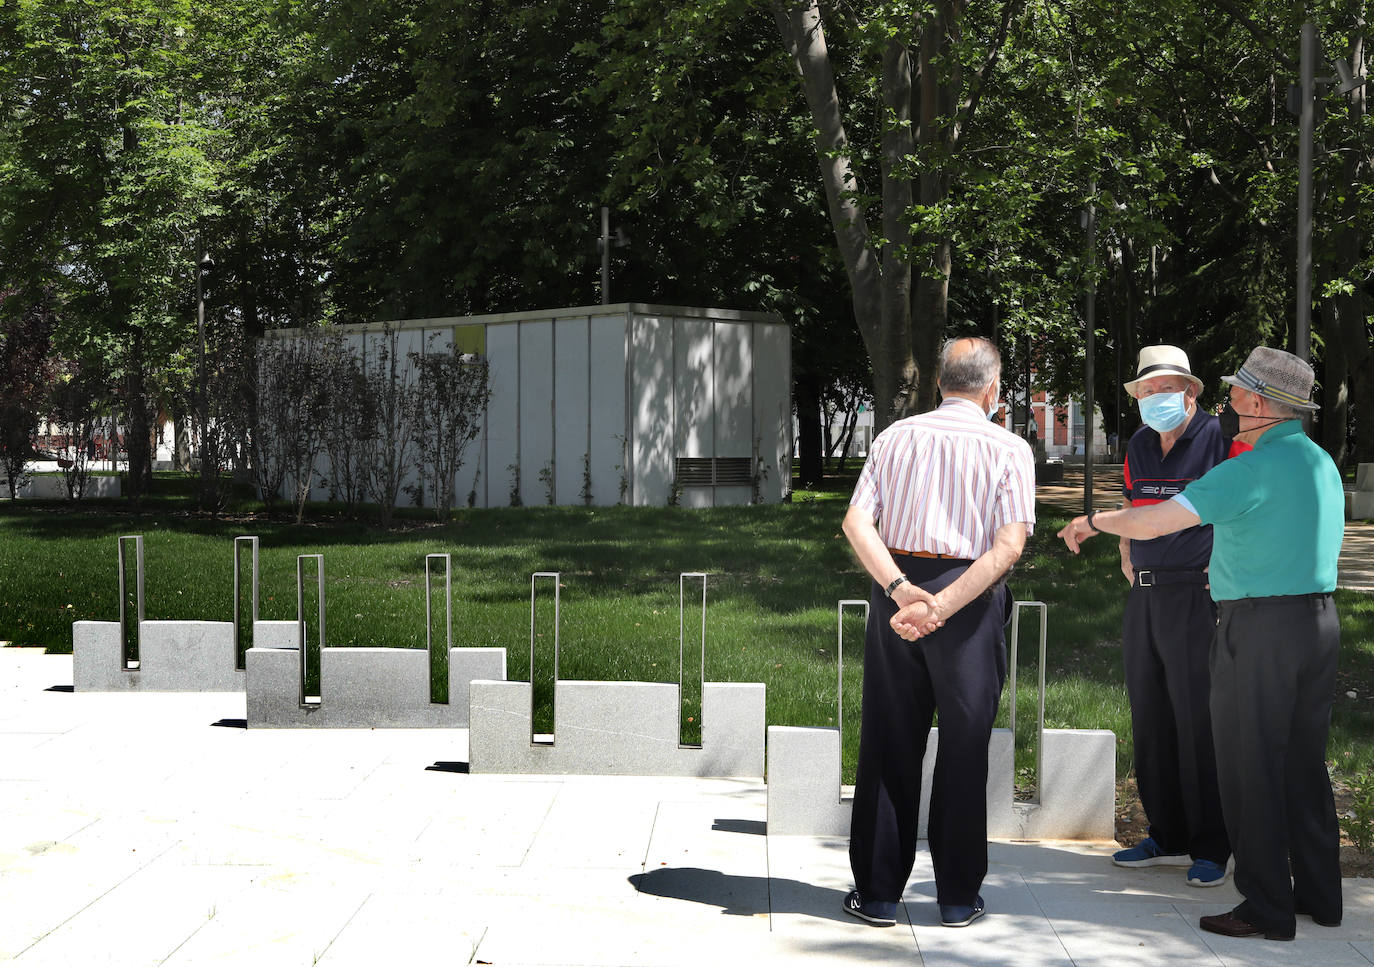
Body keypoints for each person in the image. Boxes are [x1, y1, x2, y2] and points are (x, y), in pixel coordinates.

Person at [1058, 346, 1344, 942]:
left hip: (1258, 627)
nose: (1230, 401)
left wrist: (1095, 521)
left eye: (1239, 392)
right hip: (1317, 622)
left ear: (1261, 403)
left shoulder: (1247, 469)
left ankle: (1266, 907)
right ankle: (1319, 896)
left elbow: (1157, 520)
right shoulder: (1320, 462)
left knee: (1250, 768)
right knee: (1301, 766)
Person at [841, 336, 1035, 929]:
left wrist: (904, 593)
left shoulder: (894, 436)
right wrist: (942, 605)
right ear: (993, 390)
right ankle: (955, 896)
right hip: (967, 599)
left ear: (938, 382)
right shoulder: (1009, 447)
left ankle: (877, 894)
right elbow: (1008, 546)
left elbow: (855, 521)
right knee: (963, 746)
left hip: (897, 588)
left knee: (889, 740)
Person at [1111, 346, 1238, 888]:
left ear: (1189, 391)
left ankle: (1212, 844)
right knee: (1151, 717)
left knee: (1198, 720)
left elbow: (1239, 509)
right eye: (1145, 391)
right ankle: (1167, 832)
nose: (1153, 399)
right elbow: (1133, 505)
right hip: (1146, 596)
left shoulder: (1220, 441)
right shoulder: (1139, 444)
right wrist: (1125, 556)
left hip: (1198, 598)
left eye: (1164, 389)